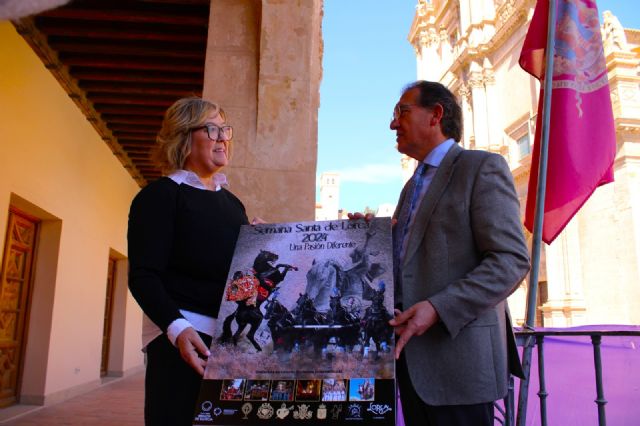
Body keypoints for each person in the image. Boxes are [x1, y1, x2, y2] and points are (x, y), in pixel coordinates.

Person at [387, 81, 530, 426]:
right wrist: (370, 237)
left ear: (436, 114)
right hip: (411, 365)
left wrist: (438, 308)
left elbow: (510, 260)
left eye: (402, 112)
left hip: (459, 367)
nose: (393, 124)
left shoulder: (481, 167)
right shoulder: (411, 186)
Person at [128, 97, 250, 425]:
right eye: (212, 129)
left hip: (231, 346)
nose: (223, 137)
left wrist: (259, 242)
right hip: (183, 345)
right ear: (183, 137)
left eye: (225, 129)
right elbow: (143, 275)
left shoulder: (233, 205)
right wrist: (178, 329)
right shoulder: (159, 197)